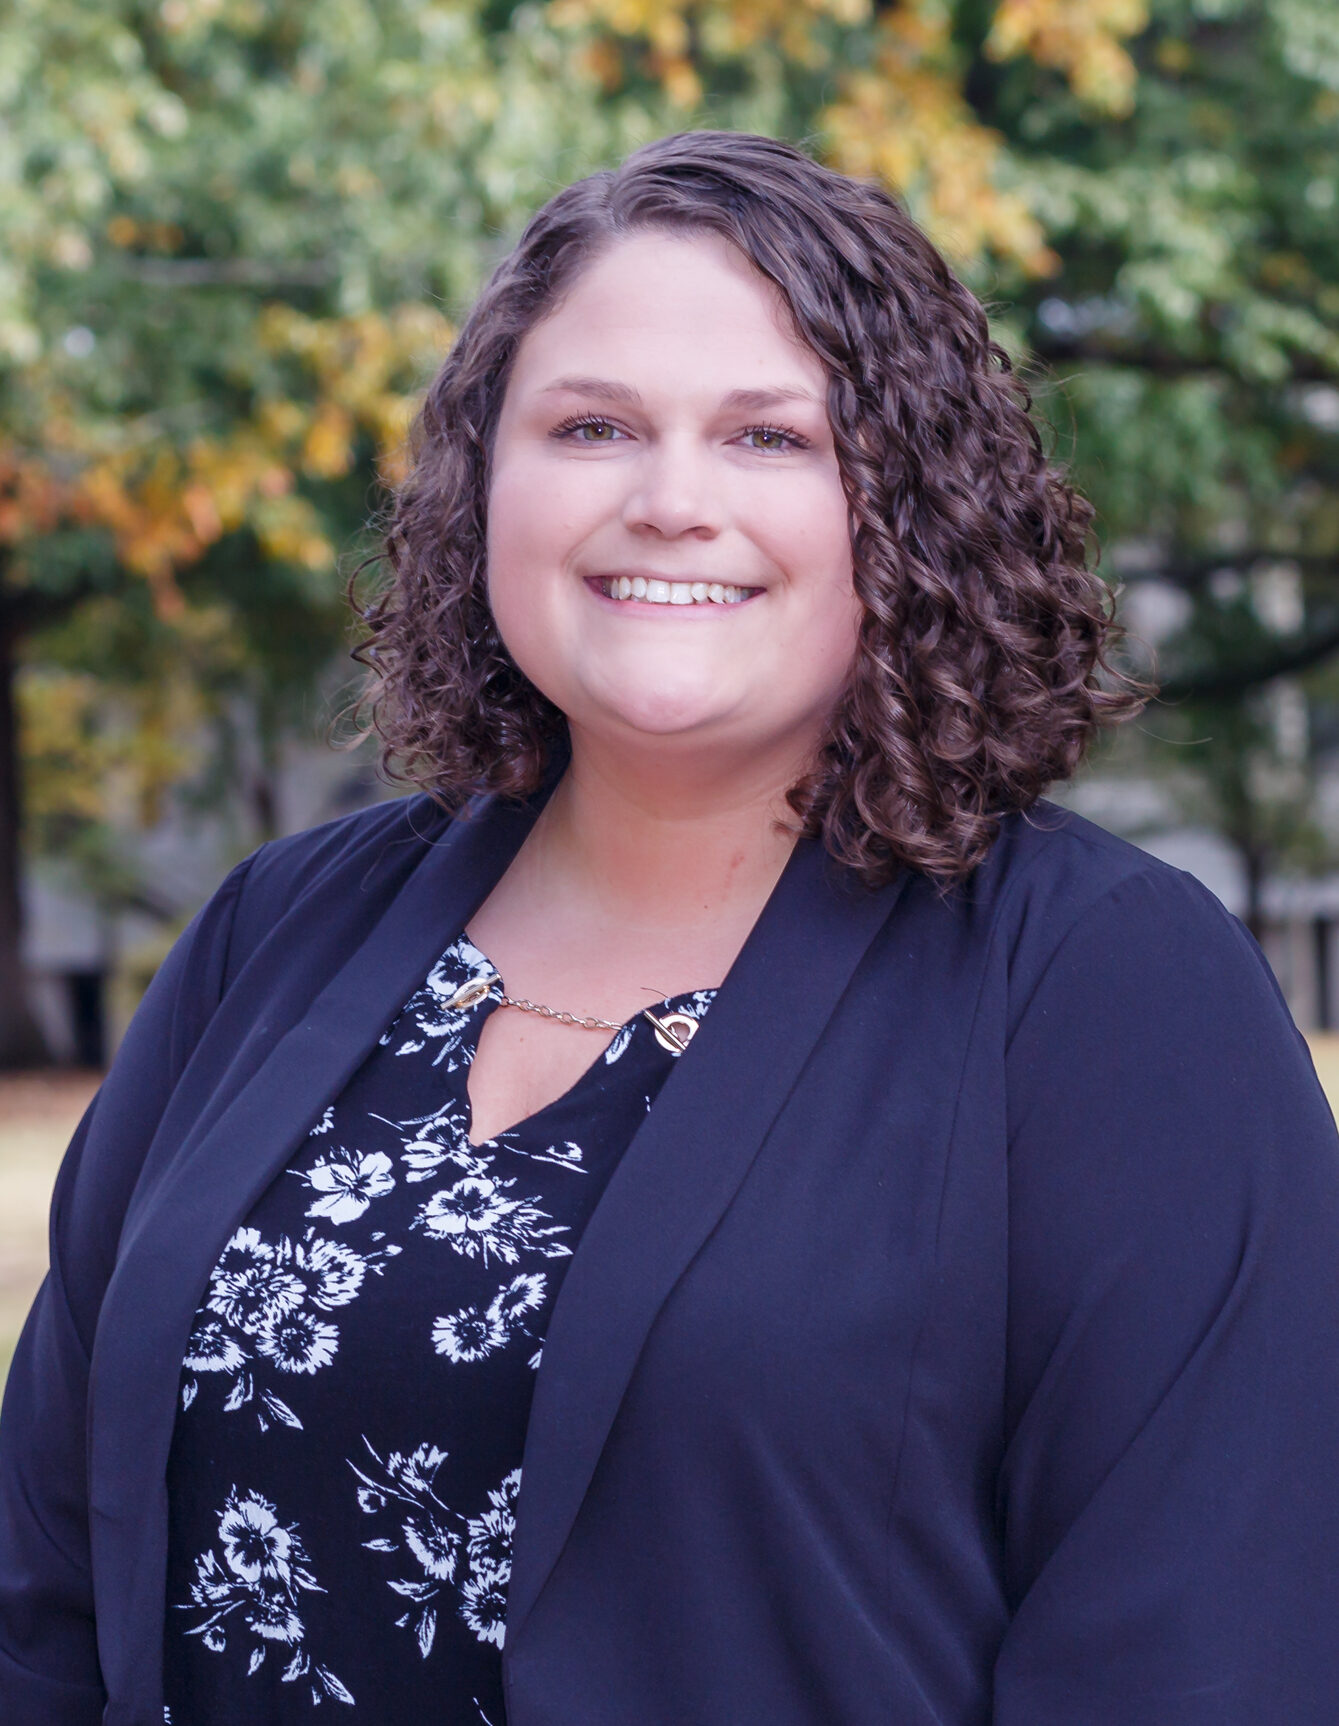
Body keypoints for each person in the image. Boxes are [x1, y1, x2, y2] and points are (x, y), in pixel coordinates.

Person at [2, 130, 1338, 1726]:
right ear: (484, 480)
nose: (670, 500)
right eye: (592, 425)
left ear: (904, 509)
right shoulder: (274, 935)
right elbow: (47, 1592)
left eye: (771, 436)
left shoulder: (1111, 991)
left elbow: (1201, 1655)